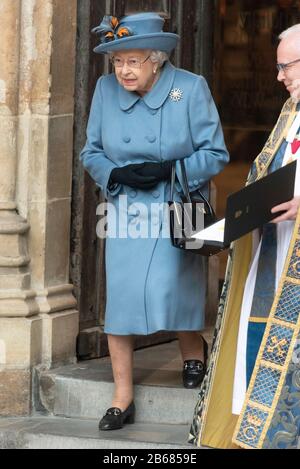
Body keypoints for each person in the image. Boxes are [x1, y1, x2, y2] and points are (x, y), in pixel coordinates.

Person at [80, 12, 229, 431]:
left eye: (133, 60)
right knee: (122, 301)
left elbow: (215, 153)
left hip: (173, 206)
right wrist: (115, 173)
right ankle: (121, 397)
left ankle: (191, 349)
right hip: (125, 209)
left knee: (172, 286)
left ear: (157, 59)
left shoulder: (189, 89)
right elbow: (91, 150)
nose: (123, 70)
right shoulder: (105, 90)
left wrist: (172, 172)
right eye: (117, 62)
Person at [189, 24, 300, 450]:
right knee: (256, 344)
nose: (279, 77)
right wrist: (239, 219)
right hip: (273, 255)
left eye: (284, 66)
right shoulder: (290, 113)